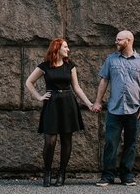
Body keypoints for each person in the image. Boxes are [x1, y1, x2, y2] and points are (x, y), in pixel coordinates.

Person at [25, 37, 100, 187]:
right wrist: (39, 97)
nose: (68, 49)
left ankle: (61, 173)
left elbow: (77, 88)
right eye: (65, 47)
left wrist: (89, 104)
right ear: (57, 49)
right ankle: (47, 172)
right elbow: (29, 82)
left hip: (67, 103)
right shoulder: (45, 66)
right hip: (52, 104)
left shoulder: (70, 66)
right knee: (50, 141)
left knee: (66, 140)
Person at [93, 29, 140, 187]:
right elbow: (104, 81)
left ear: (129, 41)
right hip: (114, 109)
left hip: (135, 110)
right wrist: (98, 101)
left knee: (131, 143)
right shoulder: (111, 60)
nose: (116, 42)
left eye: (119, 40)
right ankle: (107, 175)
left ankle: (127, 175)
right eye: (116, 39)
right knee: (111, 143)